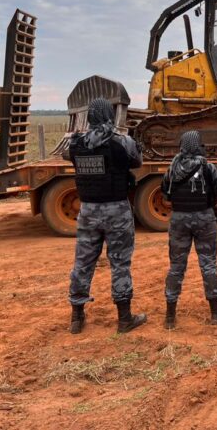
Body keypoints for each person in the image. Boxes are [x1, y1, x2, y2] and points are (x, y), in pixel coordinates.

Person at [67, 98, 147, 334]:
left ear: (90, 117)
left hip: (88, 209)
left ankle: (76, 318)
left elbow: (74, 161)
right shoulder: (122, 142)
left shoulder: (76, 144)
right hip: (116, 209)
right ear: (110, 116)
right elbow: (137, 162)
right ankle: (124, 319)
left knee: (83, 263)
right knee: (120, 263)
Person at [161, 130, 217, 329]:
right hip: (205, 217)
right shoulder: (208, 167)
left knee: (176, 267)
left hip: (179, 219)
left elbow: (165, 195)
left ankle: (170, 316)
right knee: (208, 264)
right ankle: (216, 312)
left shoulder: (172, 168)